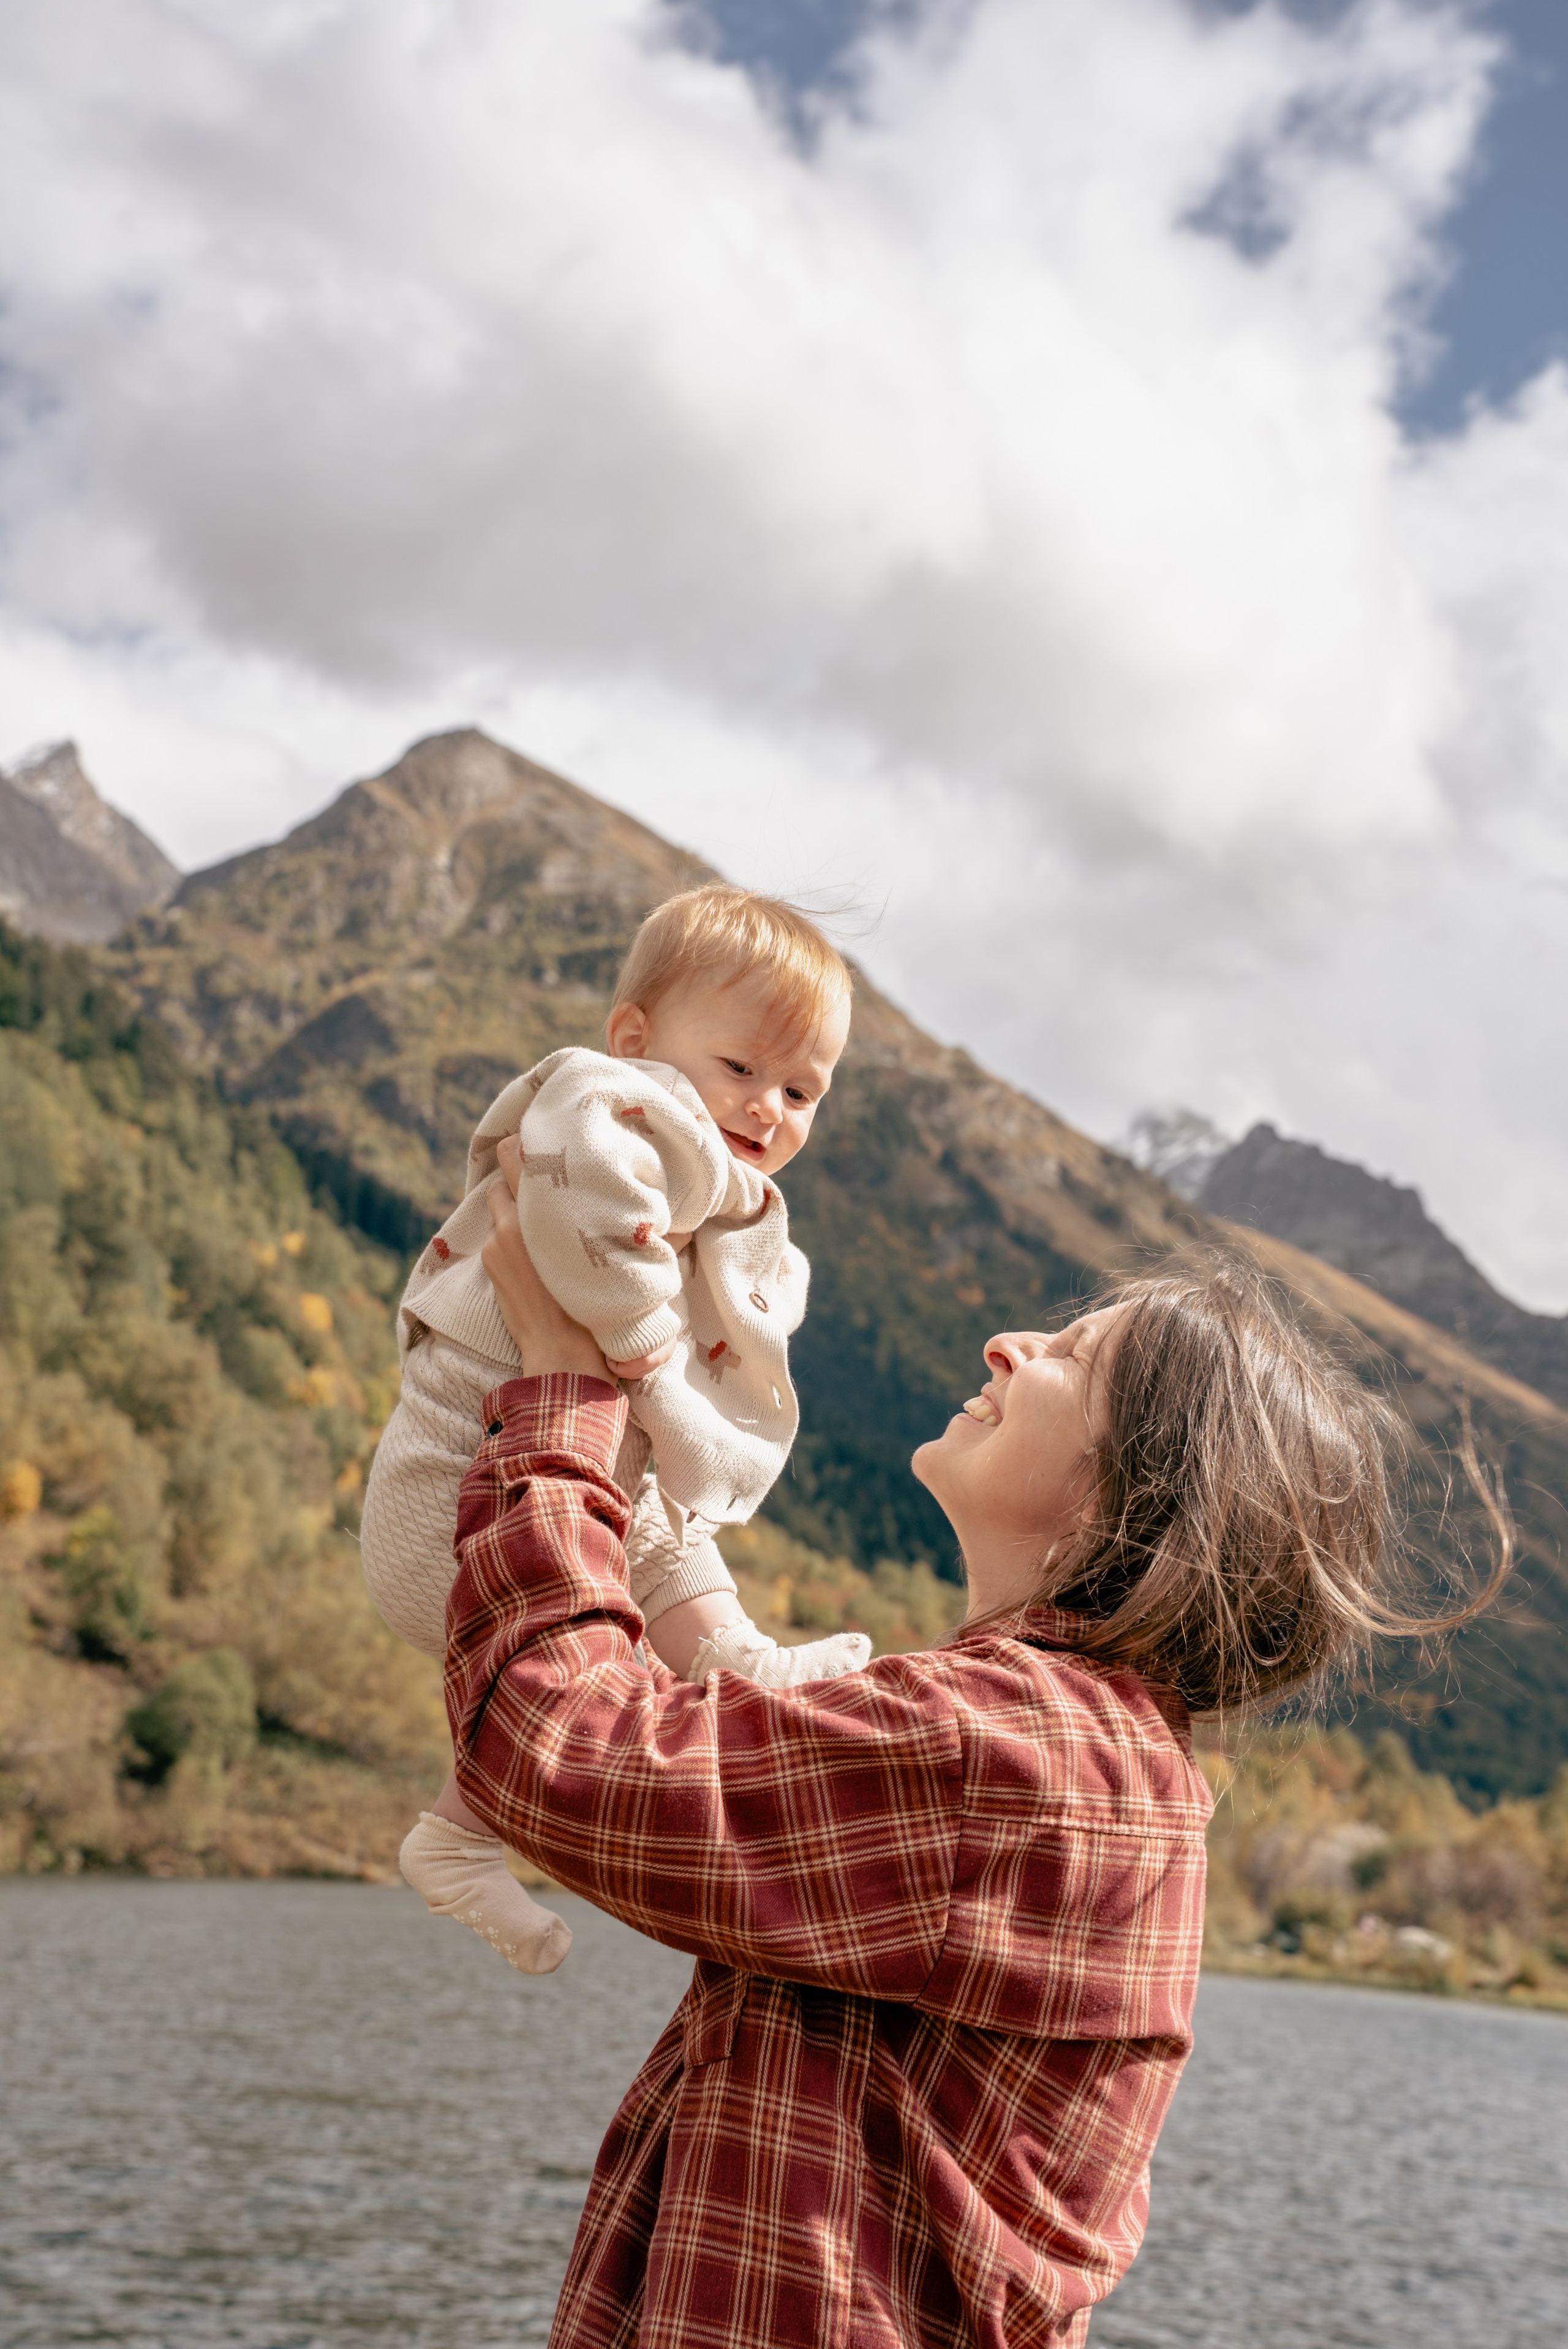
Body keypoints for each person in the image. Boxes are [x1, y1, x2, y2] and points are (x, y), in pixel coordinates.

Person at [443, 1179, 1497, 2348]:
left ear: (1141, 1485)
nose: (1008, 1343)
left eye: (1073, 1356)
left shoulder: (1008, 1754)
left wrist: (559, 1391)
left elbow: (554, 1746)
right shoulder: (1085, 1751)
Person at [360, 885, 870, 1975]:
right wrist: (646, 1343)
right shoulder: (608, 1104)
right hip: (457, 1493)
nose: (770, 1107)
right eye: (742, 1069)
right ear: (637, 1038)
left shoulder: (710, 1184)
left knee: (655, 1545)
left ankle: (464, 1829)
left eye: (802, 1089)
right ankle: (735, 1669)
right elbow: (586, 1193)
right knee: (645, 1557)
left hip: (530, 1509)